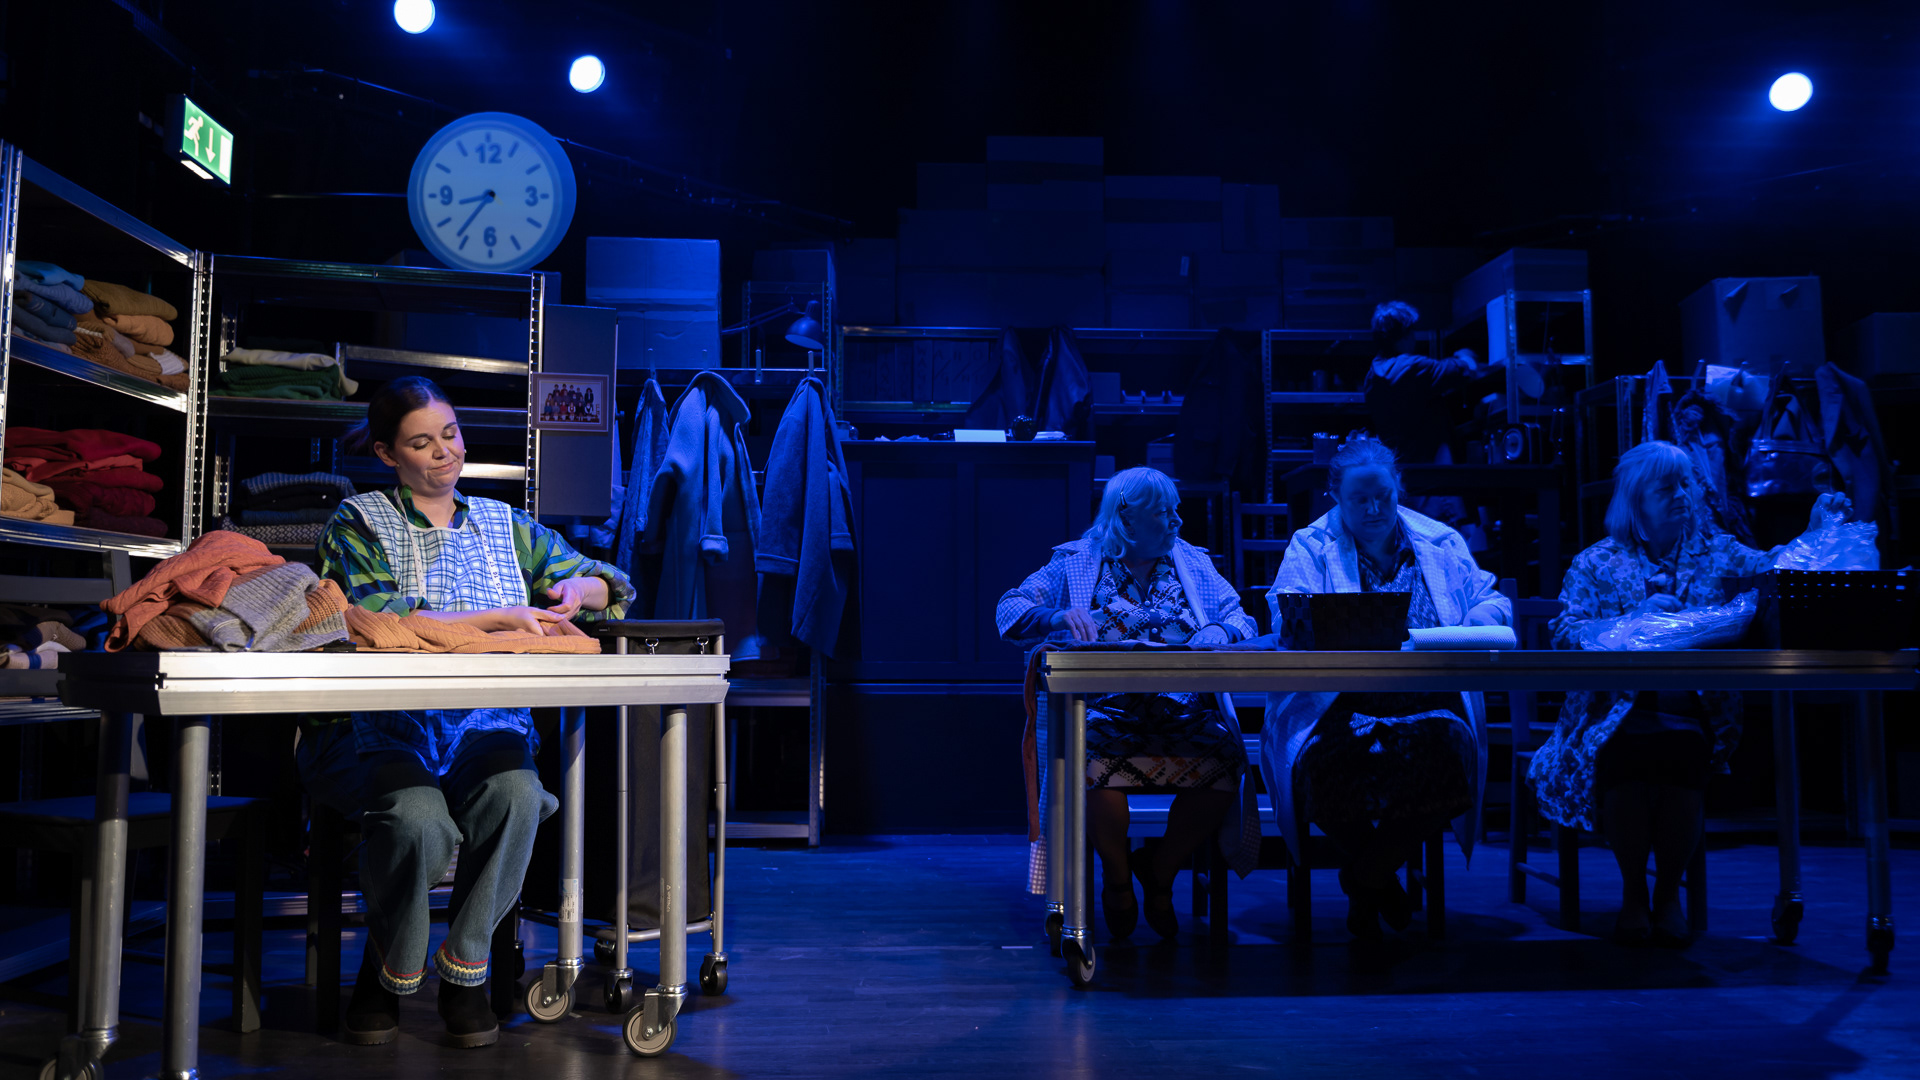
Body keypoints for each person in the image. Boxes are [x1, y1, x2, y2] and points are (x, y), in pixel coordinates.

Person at [301, 376, 634, 1047]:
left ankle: (466, 969)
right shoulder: (358, 521)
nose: (444, 452)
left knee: (517, 796)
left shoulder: (505, 525)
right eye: (421, 443)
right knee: (417, 820)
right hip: (384, 727)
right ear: (387, 454)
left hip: (484, 722)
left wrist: (578, 586)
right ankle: (388, 966)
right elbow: (384, 620)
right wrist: (502, 617)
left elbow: (613, 584)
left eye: (450, 435)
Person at [1529, 440, 1849, 946]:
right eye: (1666, 488)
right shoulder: (1596, 563)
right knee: (1625, 755)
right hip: (1608, 712)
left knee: (1681, 751)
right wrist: (1634, 622)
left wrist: (1815, 531)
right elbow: (1567, 633)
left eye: (1685, 484)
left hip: (1695, 710)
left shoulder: (1719, 553)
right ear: (1636, 501)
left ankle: (1666, 896)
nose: (1682, 495)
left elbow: (1779, 571)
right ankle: (1635, 893)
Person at [1264, 432, 1511, 942]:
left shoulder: (1439, 542)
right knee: (1320, 765)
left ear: (1399, 488)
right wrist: (1305, 620)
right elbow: (1284, 611)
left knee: (1449, 754)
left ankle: (1366, 876)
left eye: (1384, 496)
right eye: (1360, 499)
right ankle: (1378, 877)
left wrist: (1482, 616)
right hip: (1339, 704)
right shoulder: (1311, 545)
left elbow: (1489, 597)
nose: (1375, 509)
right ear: (1336, 497)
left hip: (1428, 702)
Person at [997, 467, 1258, 940]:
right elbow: (1010, 607)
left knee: (1226, 763)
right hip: (1104, 712)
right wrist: (1056, 615)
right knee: (1090, 766)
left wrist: (1222, 629)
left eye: (1176, 510)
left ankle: (1159, 873)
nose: (1176, 520)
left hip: (1178, 711)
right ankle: (1118, 879)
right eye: (1162, 512)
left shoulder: (1191, 562)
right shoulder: (1078, 560)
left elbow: (1241, 616)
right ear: (1125, 517)